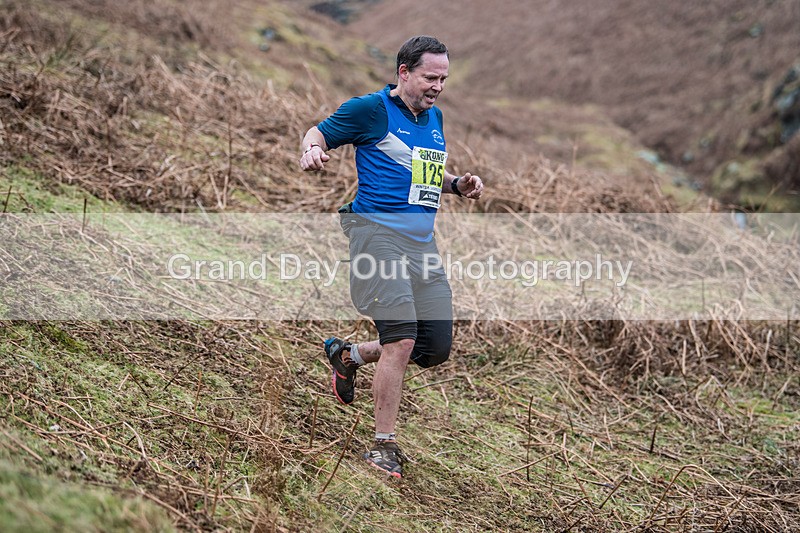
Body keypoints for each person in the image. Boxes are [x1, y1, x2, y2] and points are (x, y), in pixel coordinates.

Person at [299, 35, 483, 478]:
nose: (438, 86)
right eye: (430, 77)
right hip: (376, 236)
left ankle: (350, 355)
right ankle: (383, 447)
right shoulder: (371, 109)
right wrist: (312, 150)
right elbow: (318, 132)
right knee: (401, 339)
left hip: (421, 245)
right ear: (404, 72)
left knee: (433, 347)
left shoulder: (434, 117)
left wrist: (456, 185)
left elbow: (422, 172)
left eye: (443, 78)